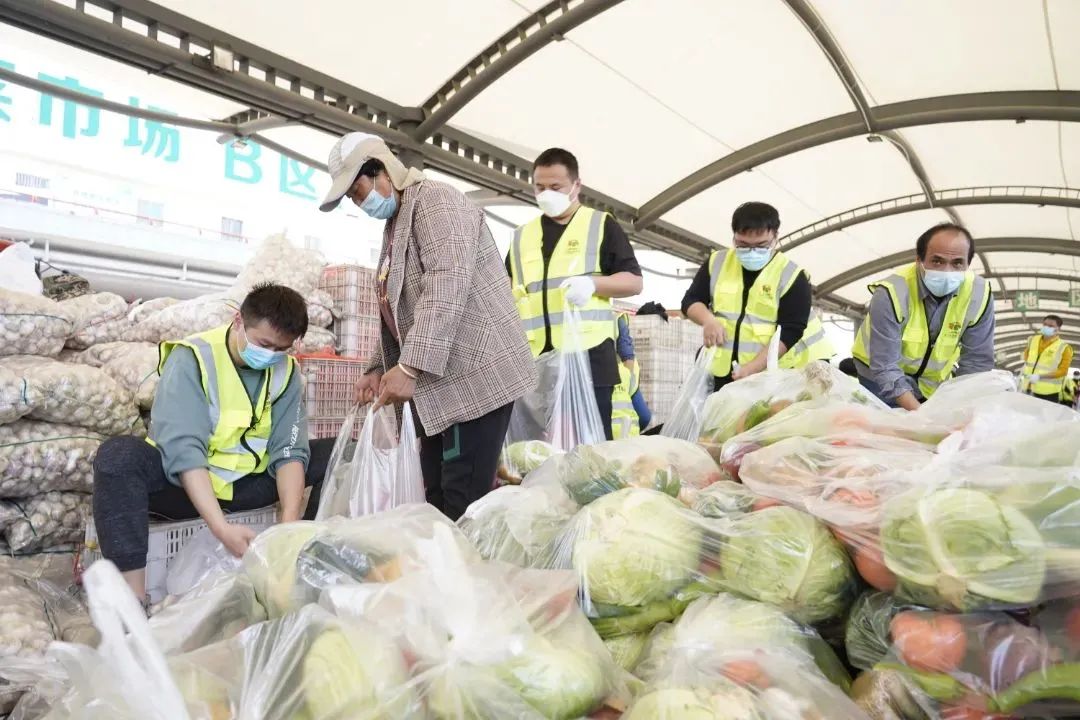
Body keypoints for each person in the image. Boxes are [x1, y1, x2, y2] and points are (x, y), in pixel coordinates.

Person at [320, 132, 536, 522]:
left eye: (357, 190)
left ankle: (463, 578)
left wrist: (409, 367)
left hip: (474, 380)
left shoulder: (437, 202)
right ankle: (443, 574)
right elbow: (401, 307)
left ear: (383, 171)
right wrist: (377, 366)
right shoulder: (397, 223)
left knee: (460, 502)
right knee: (436, 498)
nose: (358, 201)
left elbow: (446, 284)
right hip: (441, 387)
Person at [92, 283, 334, 601]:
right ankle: (133, 603)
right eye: (264, 344)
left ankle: (304, 566)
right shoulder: (193, 359)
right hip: (183, 489)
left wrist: (287, 530)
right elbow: (185, 450)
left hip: (248, 487)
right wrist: (221, 529)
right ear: (238, 322)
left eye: (282, 349)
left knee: (340, 453)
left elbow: (288, 450)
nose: (271, 356)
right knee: (118, 457)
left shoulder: (284, 372)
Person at [506, 148, 643, 440]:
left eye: (556, 187)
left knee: (589, 453)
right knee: (535, 454)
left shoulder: (600, 225)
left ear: (576, 186)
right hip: (537, 365)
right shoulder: (522, 236)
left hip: (589, 360)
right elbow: (506, 291)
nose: (546, 194)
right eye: (539, 187)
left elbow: (633, 282)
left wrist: (594, 284)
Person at [681, 202, 833, 392]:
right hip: (723, 372)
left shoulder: (792, 275)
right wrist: (708, 320)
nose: (752, 252)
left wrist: (752, 368)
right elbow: (691, 301)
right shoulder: (717, 262)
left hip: (773, 375)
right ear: (734, 237)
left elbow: (791, 329)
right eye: (743, 245)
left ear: (775, 237)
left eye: (761, 245)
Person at [852, 223, 995, 410]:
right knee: (885, 430)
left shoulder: (979, 295)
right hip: (878, 380)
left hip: (931, 384)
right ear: (919, 260)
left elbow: (976, 362)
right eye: (937, 261)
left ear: (968, 264)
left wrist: (957, 408)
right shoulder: (892, 292)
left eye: (957, 263)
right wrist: (922, 418)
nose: (947, 271)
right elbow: (885, 366)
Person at [612, 311, 651, 437]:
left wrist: (625, 382)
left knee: (643, 417)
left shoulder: (617, 319)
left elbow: (627, 356)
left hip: (622, 379)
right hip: (603, 376)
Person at [1019, 315, 1073, 402]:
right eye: (1045, 324)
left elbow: (1063, 371)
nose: (1046, 327)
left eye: (1050, 326)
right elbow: (1027, 358)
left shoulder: (1064, 348)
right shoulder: (1032, 340)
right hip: (1027, 387)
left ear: (1058, 329)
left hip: (1048, 393)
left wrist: (1040, 376)